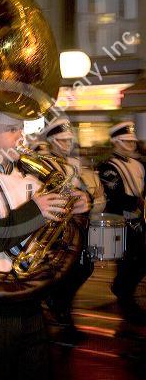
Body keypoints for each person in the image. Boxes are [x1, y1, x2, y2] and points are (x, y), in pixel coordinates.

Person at [0, 101, 90, 380]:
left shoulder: (31, 177)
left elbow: (55, 238)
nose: (20, 136)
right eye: (11, 130)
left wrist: (76, 210)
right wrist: (35, 211)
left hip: (28, 299)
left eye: (21, 128)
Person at [32, 117, 98, 332]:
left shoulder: (74, 164)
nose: (67, 145)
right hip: (54, 226)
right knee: (56, 270)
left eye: (69, 141)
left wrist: (86, 197)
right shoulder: (42, 161)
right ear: (51, 140)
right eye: (62, 140)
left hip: (75, 224)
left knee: (84, 266)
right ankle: (57, 307)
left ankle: (59, 302)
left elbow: (82, 189)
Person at [98, 121, 146, 323]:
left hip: (138, 218)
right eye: (126, 141)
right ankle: (125, 296)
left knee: (138, 259)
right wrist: (138, 201)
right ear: (115, 141)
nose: (131, 145)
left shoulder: (138, 164)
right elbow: (115, 196)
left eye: (132, 141)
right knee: (129, 259)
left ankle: (123, 288)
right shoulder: (108, 166)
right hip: (119, 219)